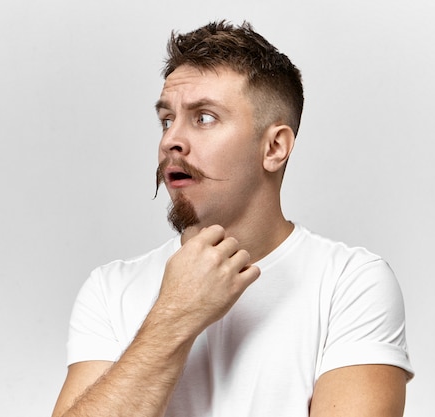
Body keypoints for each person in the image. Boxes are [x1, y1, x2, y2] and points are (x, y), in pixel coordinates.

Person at [51, 20, 413, 417]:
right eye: (166, 119)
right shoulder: (110, 288)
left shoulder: (350, 283)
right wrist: (175, 314)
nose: (171, 139)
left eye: (204, 117)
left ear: (274, 147)